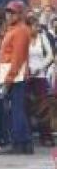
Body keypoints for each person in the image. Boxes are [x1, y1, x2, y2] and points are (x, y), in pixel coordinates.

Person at [0, 0, 33, 154]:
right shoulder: (13, 29)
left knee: (16, 110)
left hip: (15, 74)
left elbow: (18, 58)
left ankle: (19, 142)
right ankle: (24, 142)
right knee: (16, 109)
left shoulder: (20, 30)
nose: (9, 15)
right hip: (11, 72)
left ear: (20, 14)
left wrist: (9, 79)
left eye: (13, 12)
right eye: (8, 12)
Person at [26, 16, 54, 147]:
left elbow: (50, 55)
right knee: (26, 106)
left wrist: (40, 67)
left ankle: (46, 136)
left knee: (43, 107)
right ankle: (27, 136)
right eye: (34, 26)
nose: (36, 28)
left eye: (37, 26)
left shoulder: (42, 37)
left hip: (40, 76)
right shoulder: (23, 38)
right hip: (26, 76)